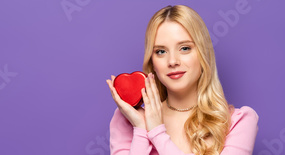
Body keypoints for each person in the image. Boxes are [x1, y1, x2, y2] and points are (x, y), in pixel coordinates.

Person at [105, 5, 258, 155]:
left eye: (184, 48)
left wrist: (157, 133)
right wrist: (140, 130)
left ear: (203, 54)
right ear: (152, 62)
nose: (172, 61)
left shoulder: (239, 122)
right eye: (161, 51)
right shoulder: (128, 120)